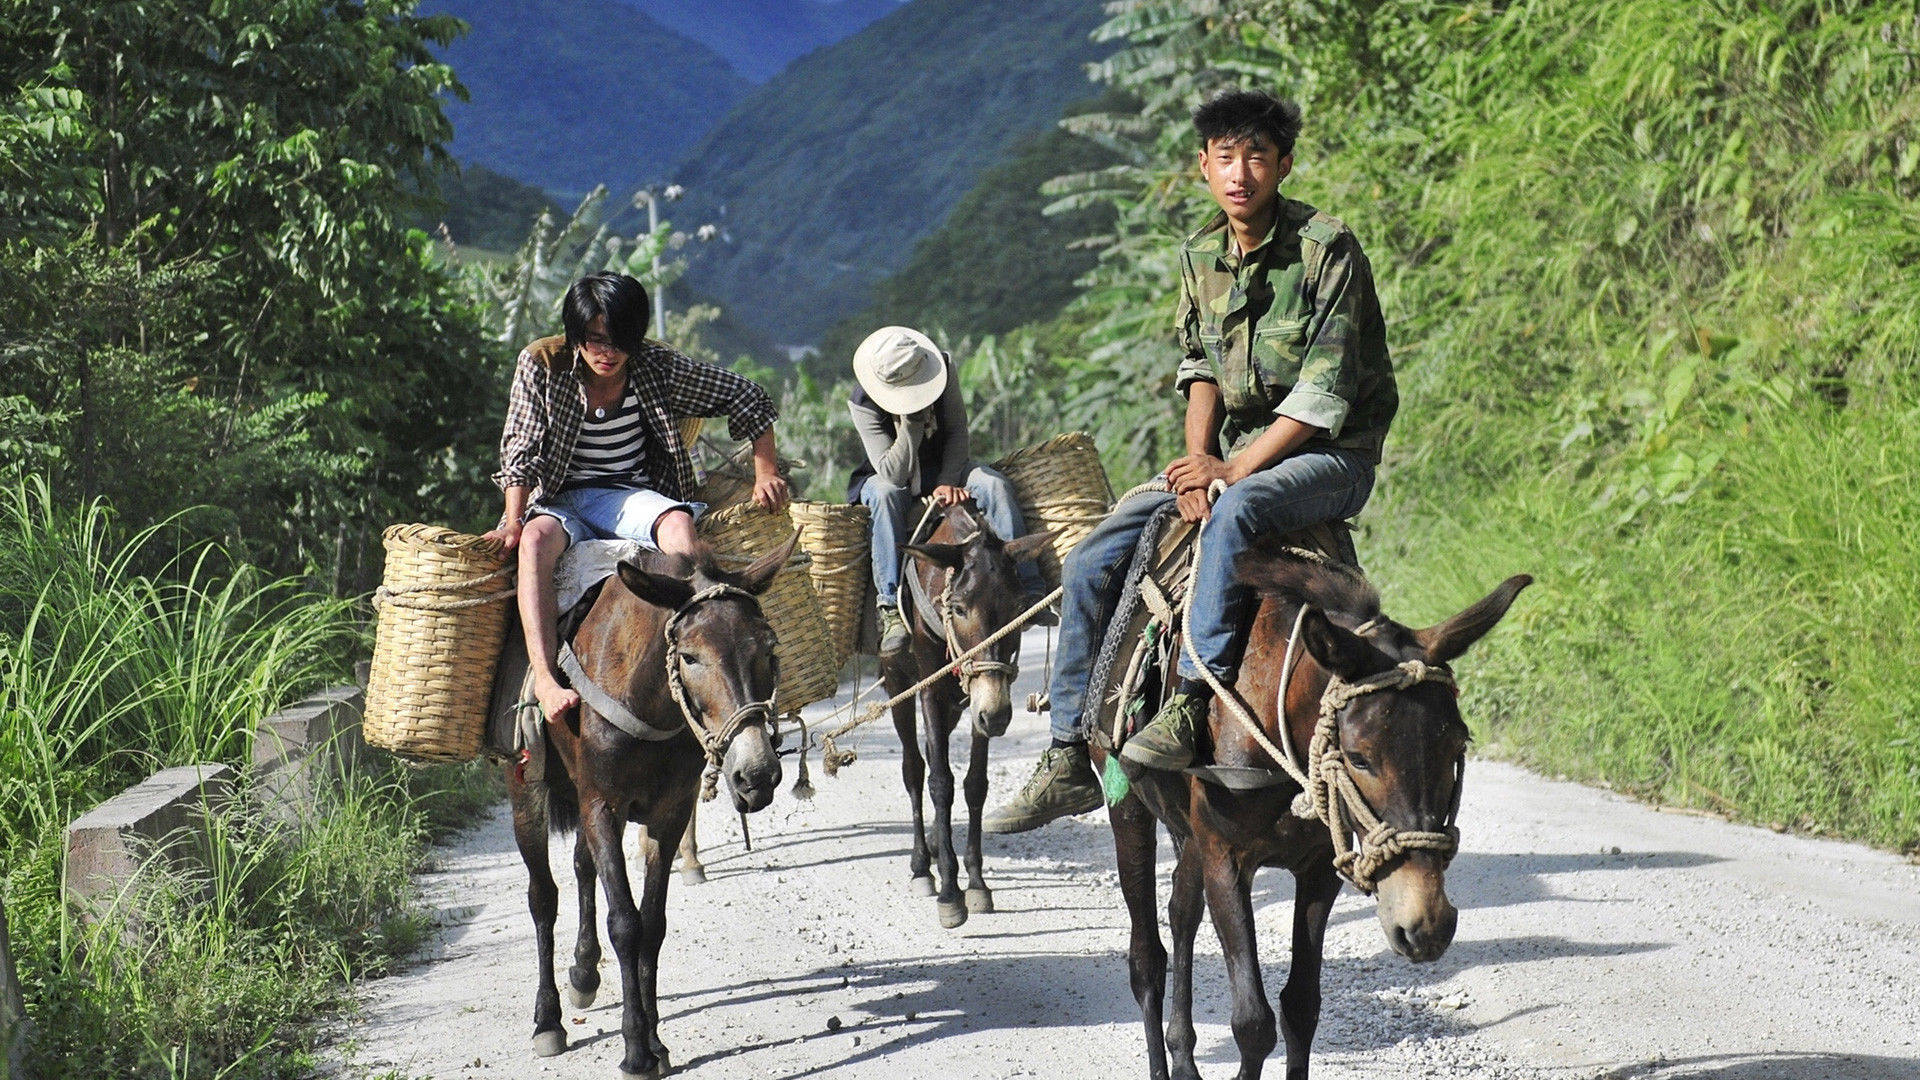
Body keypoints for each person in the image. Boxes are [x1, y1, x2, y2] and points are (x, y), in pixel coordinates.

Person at [985, 89, 1399, 833]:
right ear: (1204, 165)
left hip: (1329, 456)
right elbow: (1199, 369)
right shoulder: (1198, 255)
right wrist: (1195, 461)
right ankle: (1068, 754)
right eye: (1227, 158)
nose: (1241, 173)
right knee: (1091, 558)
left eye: (1259, 158)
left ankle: (1187, 700)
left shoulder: (1327, 249)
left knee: (1236, 511)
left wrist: (1231, 476)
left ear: (1284, 166)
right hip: (1237, 456)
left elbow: (1324, 392)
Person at [483, 272, 789, 724]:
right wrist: (513, 518)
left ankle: (707, 658)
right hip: (560, 499)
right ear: (576, 334)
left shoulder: (657, 367)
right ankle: (546, 680)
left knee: (679, 526)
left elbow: (745, 395)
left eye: (619, 342)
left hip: (629, 494)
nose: (607, 353)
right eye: (594, 340)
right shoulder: (543, 364)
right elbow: (521, 447)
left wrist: (766, 471)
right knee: (531, 543)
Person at [846, 325, 1048, 656]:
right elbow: (892, 473)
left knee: (994, 484)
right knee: (884, 496)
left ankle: (1029, 587)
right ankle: (890, 607)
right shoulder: (862, 401)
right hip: (889, 475)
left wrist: (949, 479)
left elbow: (956, 432)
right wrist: (910, 423)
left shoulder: (943, 369)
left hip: (945, 467)